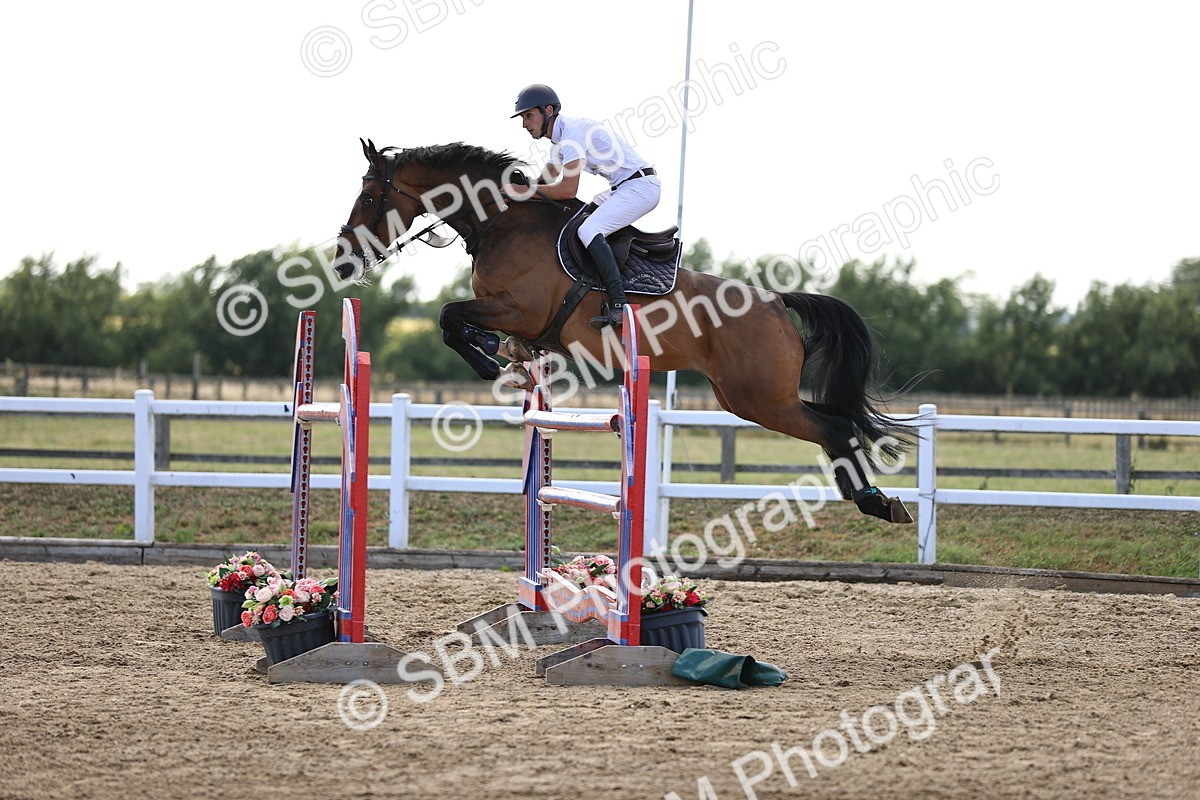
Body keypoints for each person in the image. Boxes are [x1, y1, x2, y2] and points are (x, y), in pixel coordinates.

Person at [502, 84, 661, 328]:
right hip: (622, 188)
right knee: (576, 222)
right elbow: (543, 182)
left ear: (548, 110)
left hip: (641, 188)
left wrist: (523, 192)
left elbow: (566, 190)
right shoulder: (560, 142)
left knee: (588, 230)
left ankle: (619, 304)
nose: (525, 124)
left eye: (529, 116)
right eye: (523, 118)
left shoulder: (572, 136)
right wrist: (512, 193)